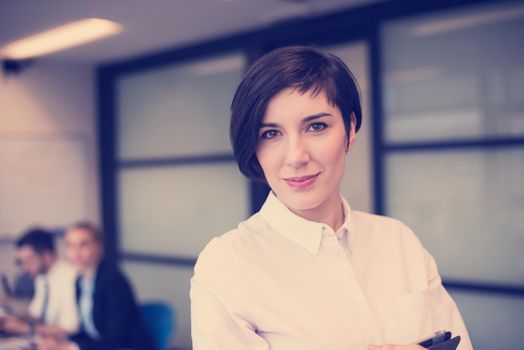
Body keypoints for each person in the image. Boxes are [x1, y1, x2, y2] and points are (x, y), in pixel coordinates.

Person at [190, 46, 473, 350]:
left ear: (350, 130)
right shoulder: (227, 265)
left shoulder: (399, 241)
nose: (296, 156)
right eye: (271, 134)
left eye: (316, 126)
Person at [38, 222, 154, 350]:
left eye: (83, 244)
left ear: (99, 247)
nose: (75, 251)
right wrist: (61, 337)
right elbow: (91, 332)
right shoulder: (80, 281)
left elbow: (115, 339)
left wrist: (70, 347)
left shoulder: (113, 281)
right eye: (70, 245)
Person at [0, 228, 79, 336]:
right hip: (44, 339)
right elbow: (35, 314)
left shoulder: (70, 278)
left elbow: (70, 328)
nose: (24, 267)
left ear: (47, 255)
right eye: (21, 261)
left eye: (28, 260)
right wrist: (10, 320)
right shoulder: (41, 277)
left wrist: (26, 328)